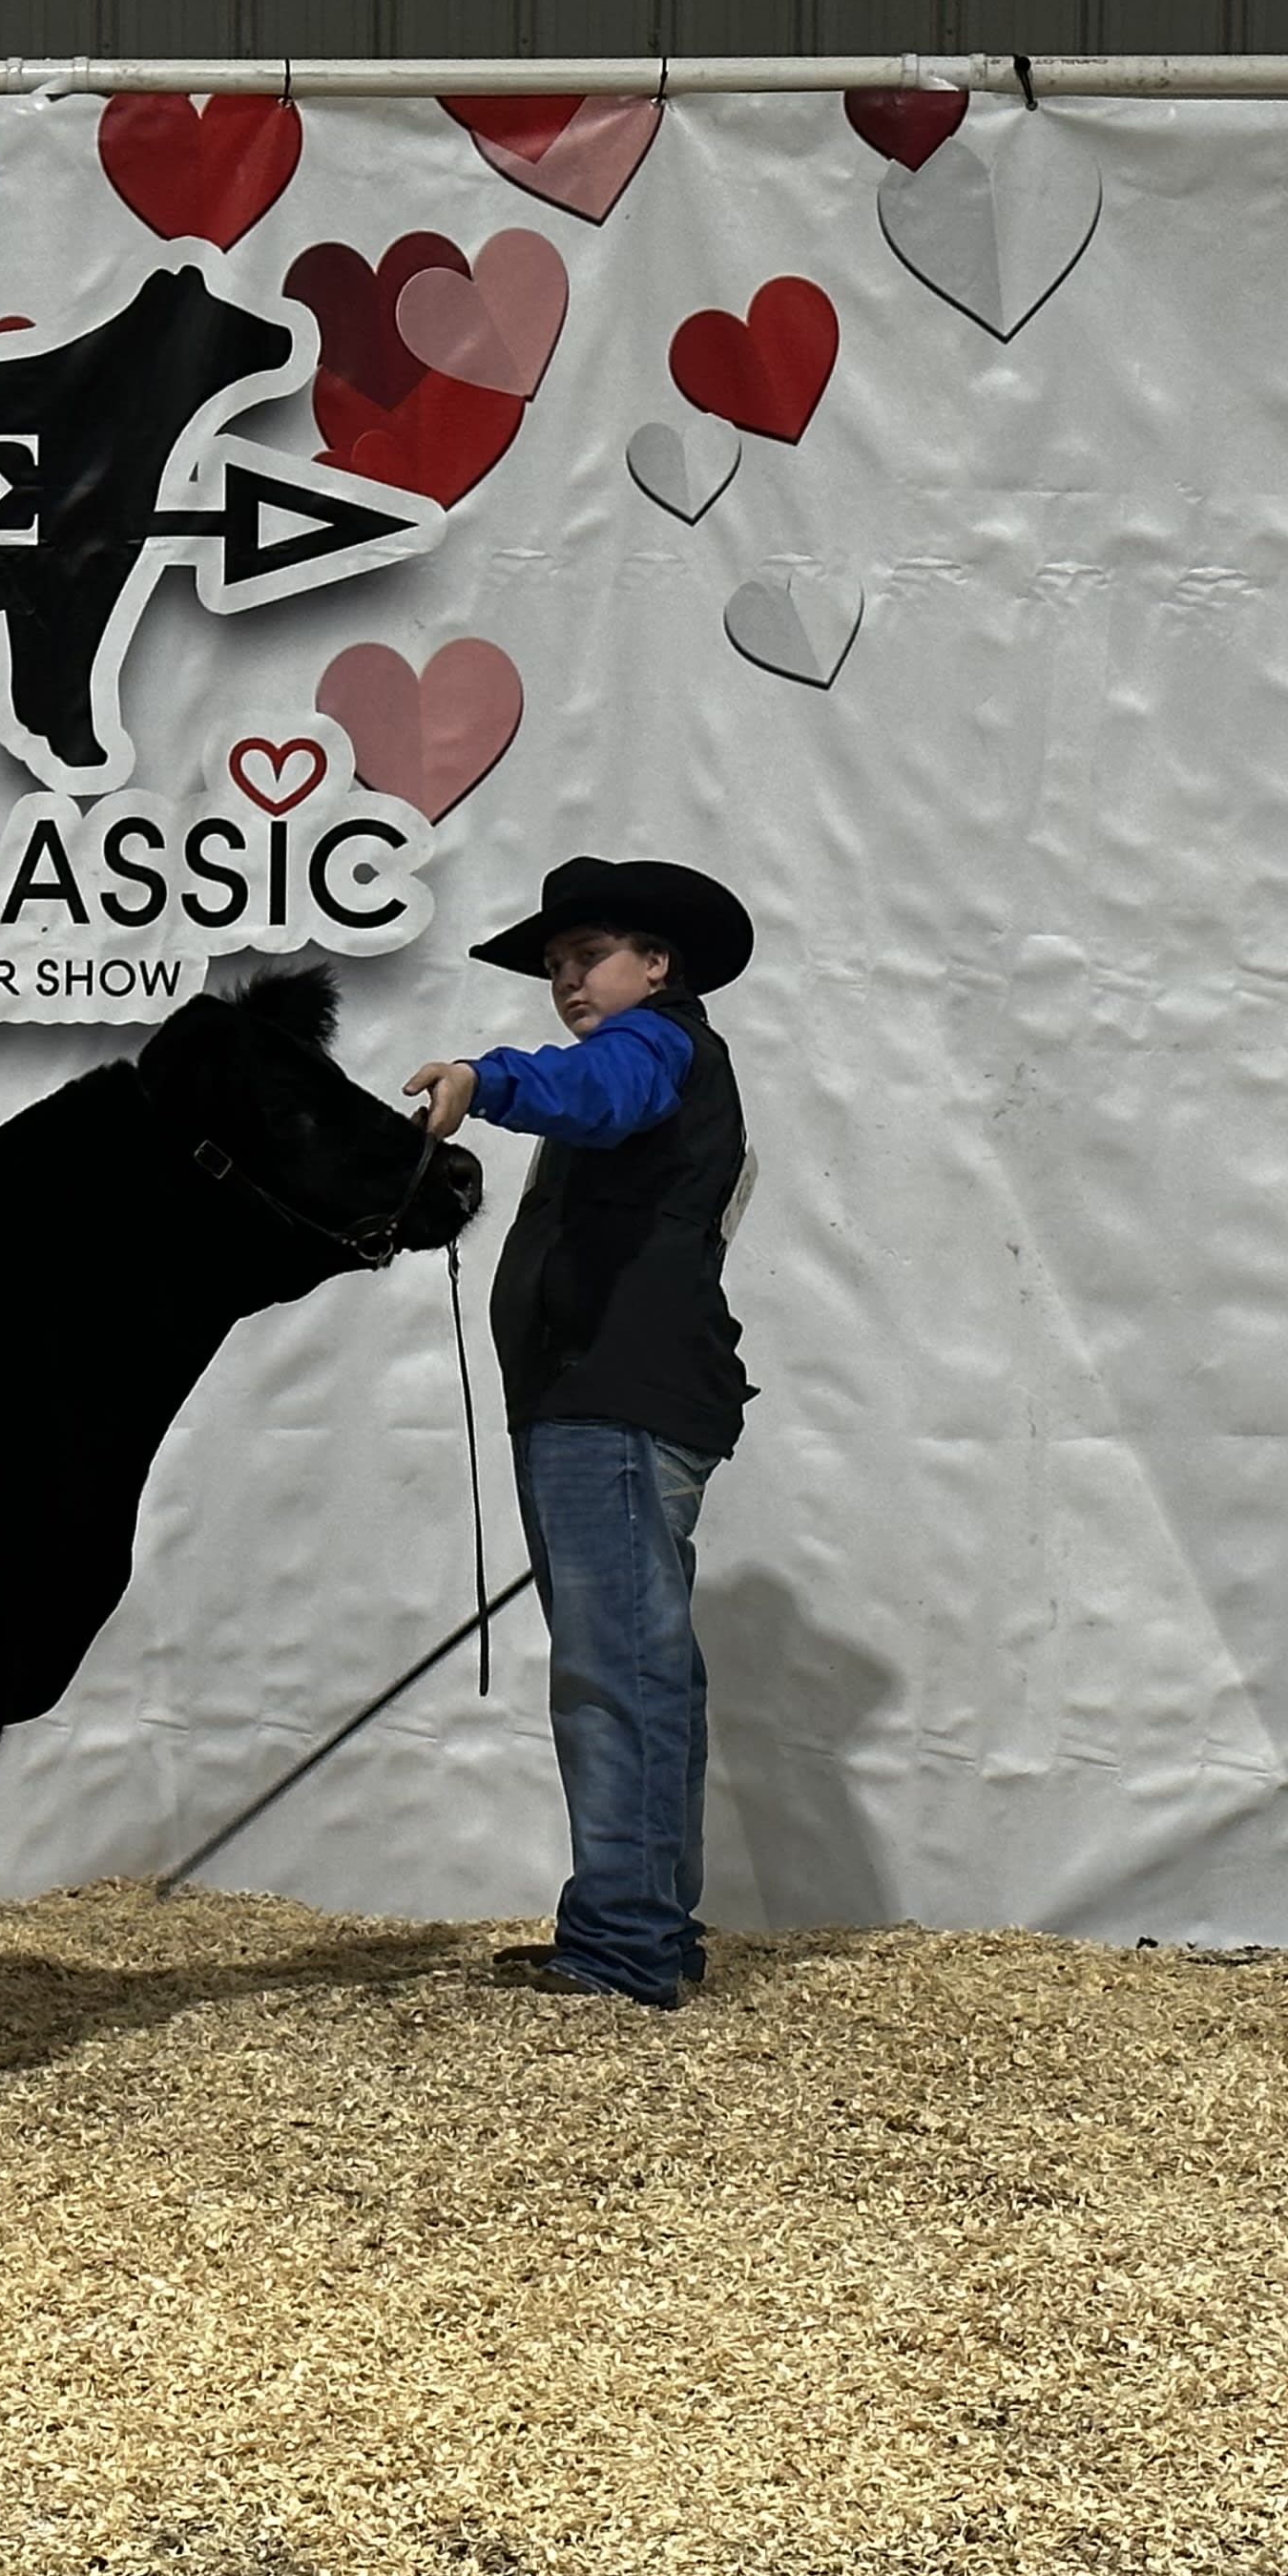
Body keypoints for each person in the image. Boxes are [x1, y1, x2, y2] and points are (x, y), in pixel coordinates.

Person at [405, 857, 757, 2007]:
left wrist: (482, 1075)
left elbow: (594, 1093)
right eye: (556, 964)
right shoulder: (656, 1053)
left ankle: (623, 1947)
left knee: (619, 1672)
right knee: (638, 1666)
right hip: (598, 1401)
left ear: (656, 966)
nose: (566, 979)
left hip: (614, 1402)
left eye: (587, 955)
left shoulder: (654, 1046)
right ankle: (644, 1928)